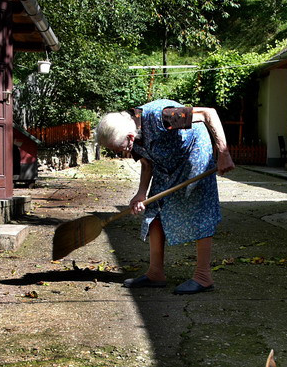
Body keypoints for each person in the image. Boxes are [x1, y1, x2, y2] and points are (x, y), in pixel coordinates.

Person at [95, 99, 235, 294]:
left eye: (120, 149)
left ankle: (203, 276)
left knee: (199, 207)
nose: (120, 154)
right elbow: (147, 162)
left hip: (193, 152)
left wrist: (223, 152)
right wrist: (141, 193)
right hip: (166, 161)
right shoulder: (132, 134)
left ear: (129, 137)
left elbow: (208, 113)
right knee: (154, 209)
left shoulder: (163, 116)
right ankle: (155, 273)